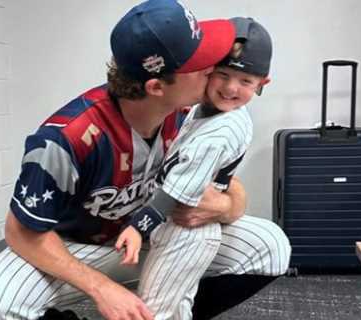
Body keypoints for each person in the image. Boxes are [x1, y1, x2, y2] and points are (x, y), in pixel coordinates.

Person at [0, 1, 241, 319]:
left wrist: (227, 206)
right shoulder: (64, 138)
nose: (213, 69)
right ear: (155, 86)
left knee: (268, 244)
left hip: (150, 238)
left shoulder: (189, 114)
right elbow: (18, 231)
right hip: (74, 248)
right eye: (199, 64)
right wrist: (101, 287)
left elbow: (229, 186)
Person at [115, 17, 291, 320]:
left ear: (263, 84)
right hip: (169, 220)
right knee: (168, 303)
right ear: (206, 71)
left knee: (160, 309)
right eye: (222, 75)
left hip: (184, 229)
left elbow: (175, 193)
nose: (231, 88)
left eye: (246, 81)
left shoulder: (222, 128)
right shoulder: (198, 107)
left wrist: (138, 227)